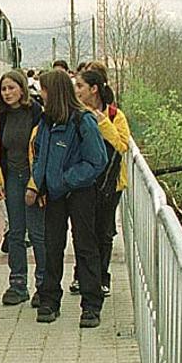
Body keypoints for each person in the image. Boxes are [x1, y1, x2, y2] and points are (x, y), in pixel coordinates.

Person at [30, 69, 108, 327]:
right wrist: (39, 185)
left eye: (43, 89)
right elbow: (40, 155)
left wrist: (65, 180)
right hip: (53, 194)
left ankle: (91, 305)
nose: (40, 94)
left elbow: (97, 161)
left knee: (85, 246)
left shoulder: (83, 120)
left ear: (54, 92)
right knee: (52, 246)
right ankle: (49, 300)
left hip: (80, 192)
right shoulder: (46, 122)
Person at [68, 68, 131, 298]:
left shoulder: (115, 115)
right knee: (82, 231)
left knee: (104, 232)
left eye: (80, 86)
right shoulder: (74, 114)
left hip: (110, 184)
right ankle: (81, 276)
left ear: (93, 89)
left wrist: (102, 123)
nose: (76, 91)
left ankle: (102, 278)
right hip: (83, 182)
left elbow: (122, 145)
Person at [0, 70, 46, 308]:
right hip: (11, 178)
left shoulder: (37, 114)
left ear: (22, 89)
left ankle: (44, 285)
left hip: (33, 180)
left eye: (11, 88)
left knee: (38, 234)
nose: (7, 93)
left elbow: (44, 149)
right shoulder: (0, 118)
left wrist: (37, 184)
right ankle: (18, 284)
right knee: (16, 233)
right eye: (3, 89)